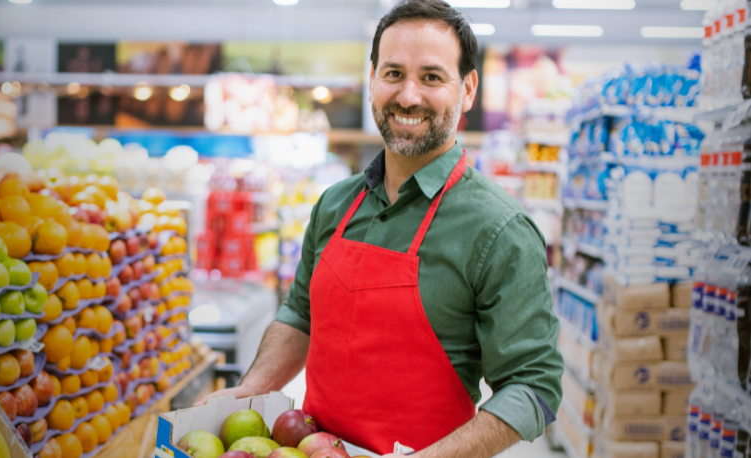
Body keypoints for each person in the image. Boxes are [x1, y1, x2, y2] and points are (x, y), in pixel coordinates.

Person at [197, 1, 563, 457]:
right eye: (393, 73)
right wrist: (248, 390)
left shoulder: (499, 229)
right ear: (372, 79)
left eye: (431, 77)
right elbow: (299, 314)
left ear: (468, 89)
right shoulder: (335, 204)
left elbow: (533, 385)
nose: (408, 96)